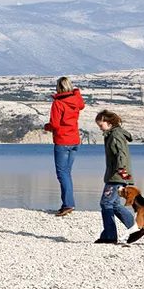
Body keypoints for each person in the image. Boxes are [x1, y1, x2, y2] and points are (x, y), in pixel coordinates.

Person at [95, 109, 137, 245]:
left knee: (106, 203)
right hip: (117, 174)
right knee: (114, 204)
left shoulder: (116, 135)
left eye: (101, 125)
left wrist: (121, 170)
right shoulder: (112, 134)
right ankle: (135, 229)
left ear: (109, 122)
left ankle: (110, 235)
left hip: (117, 175)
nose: (100, 128)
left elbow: (121, 154)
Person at [45, 77, 84, 216]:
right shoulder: (75, 100)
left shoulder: (58, 103)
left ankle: (68, 204)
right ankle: (67, 204)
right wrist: (76, 91)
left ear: (58, 87)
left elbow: (55, 124)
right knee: (66, 173)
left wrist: (47, 127)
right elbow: (81, 105)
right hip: (74, 140)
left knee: (62, 174)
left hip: (62, 140)